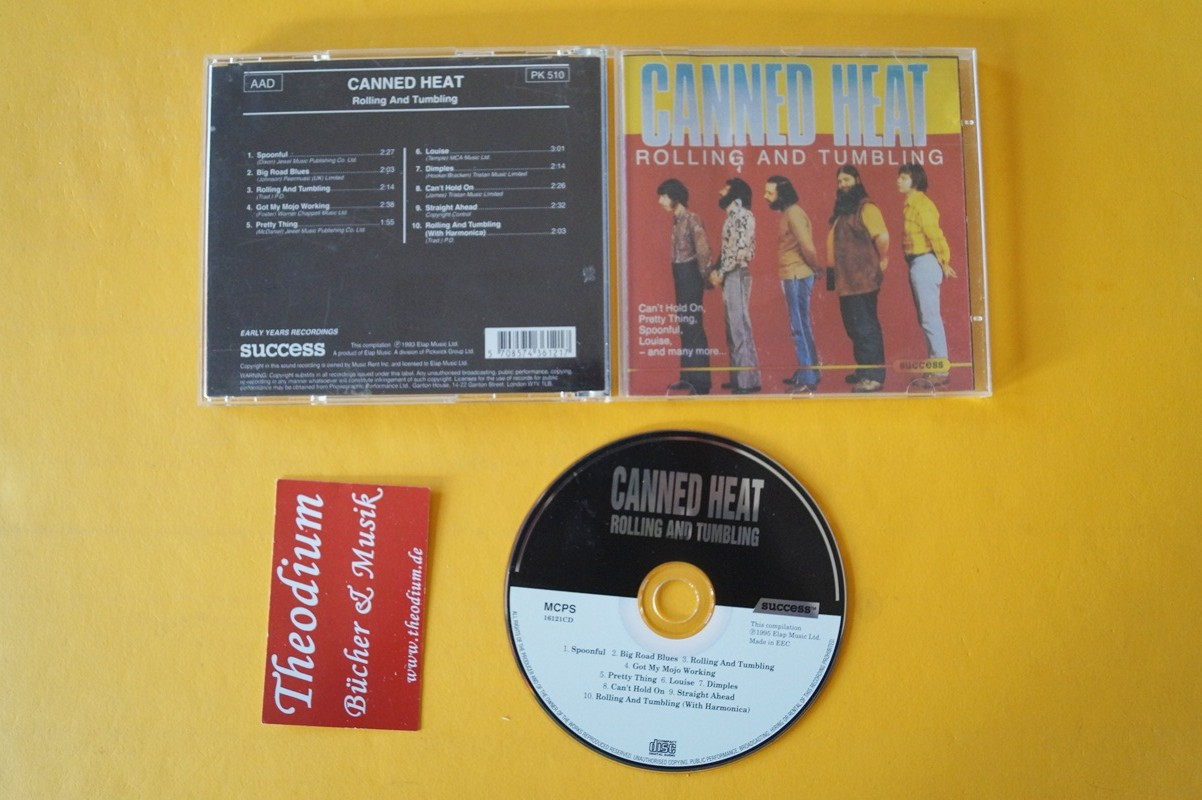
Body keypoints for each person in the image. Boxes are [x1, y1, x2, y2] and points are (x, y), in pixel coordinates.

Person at [827, 165, 889, 393]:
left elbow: (882, 237)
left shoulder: (866, 207)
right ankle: (864, 370)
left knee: (865, 328)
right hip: (847, 281)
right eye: (839, 181)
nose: (842, 185)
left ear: (857, 180)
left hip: (862, 280)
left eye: (846, 180)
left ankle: (874, 376)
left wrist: (883, 259)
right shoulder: (845, 211)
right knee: (854, 327)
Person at [897, 163, 956, 385]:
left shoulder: (922, 205)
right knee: (926, 319)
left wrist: (945, 262)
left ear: (915, 181)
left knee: (930, 318)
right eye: (899, 177)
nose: (898, 181)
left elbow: (936, 235)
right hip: (917, 264)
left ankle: (941, 371)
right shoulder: (910, 205)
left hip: (925, 263)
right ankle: (936, 368)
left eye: (904, 177)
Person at [764, 175, 823, 393]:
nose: (765, 196)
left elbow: (807, 246)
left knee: (798, 327)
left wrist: (816, 267)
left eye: (770, 192)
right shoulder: (790, 213)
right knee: (802, 324)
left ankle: (807, 378)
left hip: (796, 275)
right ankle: (810, 372)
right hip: (794, 274)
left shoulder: (793, 214)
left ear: (782, 194)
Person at [656, 178, 712, 394]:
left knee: (693, 325)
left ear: (675, 197)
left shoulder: (691, 219)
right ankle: (687, 378)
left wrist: (705, 277)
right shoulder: (677, 220)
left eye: (663, 196)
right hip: (680, 274)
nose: (660, 201)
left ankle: (701, 383)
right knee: (684, 324)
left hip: (690, 275)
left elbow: (703, 250)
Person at [709, 178, 761, 394]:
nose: (720, 192)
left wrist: (720, 273)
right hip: (730, 273)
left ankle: (746, 381)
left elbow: (739, 251)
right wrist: (719, 270)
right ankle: (740, 377)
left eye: (725, 188)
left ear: (735, 193)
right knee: (733, 327)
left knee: (739, 327)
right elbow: (727, 250)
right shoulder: (732, 217)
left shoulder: (743, 216)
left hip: (737, 273)